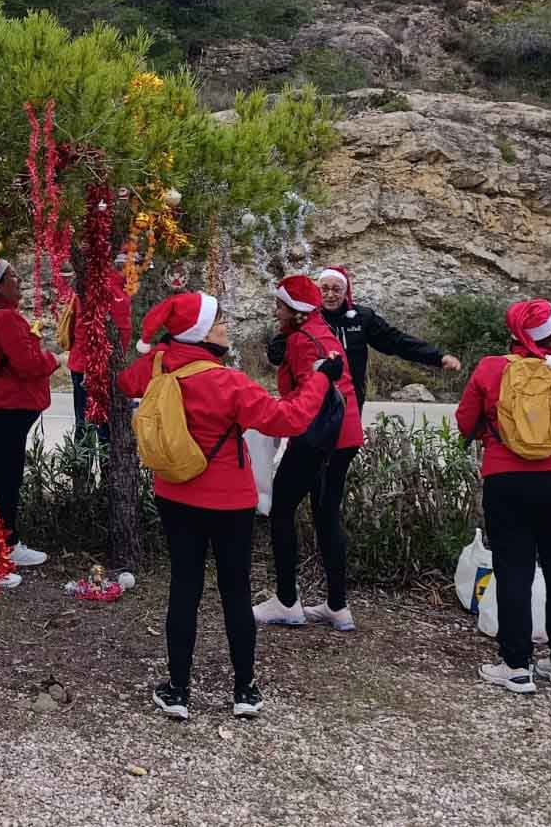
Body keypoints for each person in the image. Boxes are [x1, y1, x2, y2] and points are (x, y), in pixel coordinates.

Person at [120, 291, 340, 720]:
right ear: (201, 331)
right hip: (230, 502)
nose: (226, 327)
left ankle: (178, 690)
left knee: (184, 589)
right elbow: (289, 419)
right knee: (235, 591)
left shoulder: (160, 368)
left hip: (175, 495)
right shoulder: (228, 381)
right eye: (219, 321)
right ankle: (244, 690)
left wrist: (162, 348)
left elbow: (126, 383)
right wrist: (320, 379)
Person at [456, 299, 551, 694]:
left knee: (513, 570)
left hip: (507, 480)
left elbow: (464, 423)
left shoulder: (491, 369)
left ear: (514, 335)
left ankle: (515, 667)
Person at [253, 275, 364, 632]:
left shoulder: (302, 341)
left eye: (280, 306)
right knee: (326, 513)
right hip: (345, 434)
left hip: (317, 437)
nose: (275, 312)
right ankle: (337, 606)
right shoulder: (320, 330)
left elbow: (309, 397)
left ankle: (287, 601)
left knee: (282, 508)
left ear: (295, 311)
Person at [265, 265, 460, 415]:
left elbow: (396, 341)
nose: (330, 295)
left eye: (336, 289)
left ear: (346, 291)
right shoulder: (306, 318)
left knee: (341, 453)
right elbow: (277, 355)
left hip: (351, 399)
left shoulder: (362, 318)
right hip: (311, 399)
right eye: (324, 289)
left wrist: (438, 357)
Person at [0, 258, 60, 585]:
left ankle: (4, 544)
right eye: (11, 276)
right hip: (8, 408)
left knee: (3, 478)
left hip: (4, 408)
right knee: (2, 482)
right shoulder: (5, 319)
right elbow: (27, 363)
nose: (18, 280)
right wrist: (54, 359)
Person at [64, 253, 133, 442]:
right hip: (97, 366)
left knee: (84, 421)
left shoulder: (96, 286)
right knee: (102, 425)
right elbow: (120, 332)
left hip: (83, 363)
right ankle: (103, 467)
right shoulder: (113, 291)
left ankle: (81, 467)